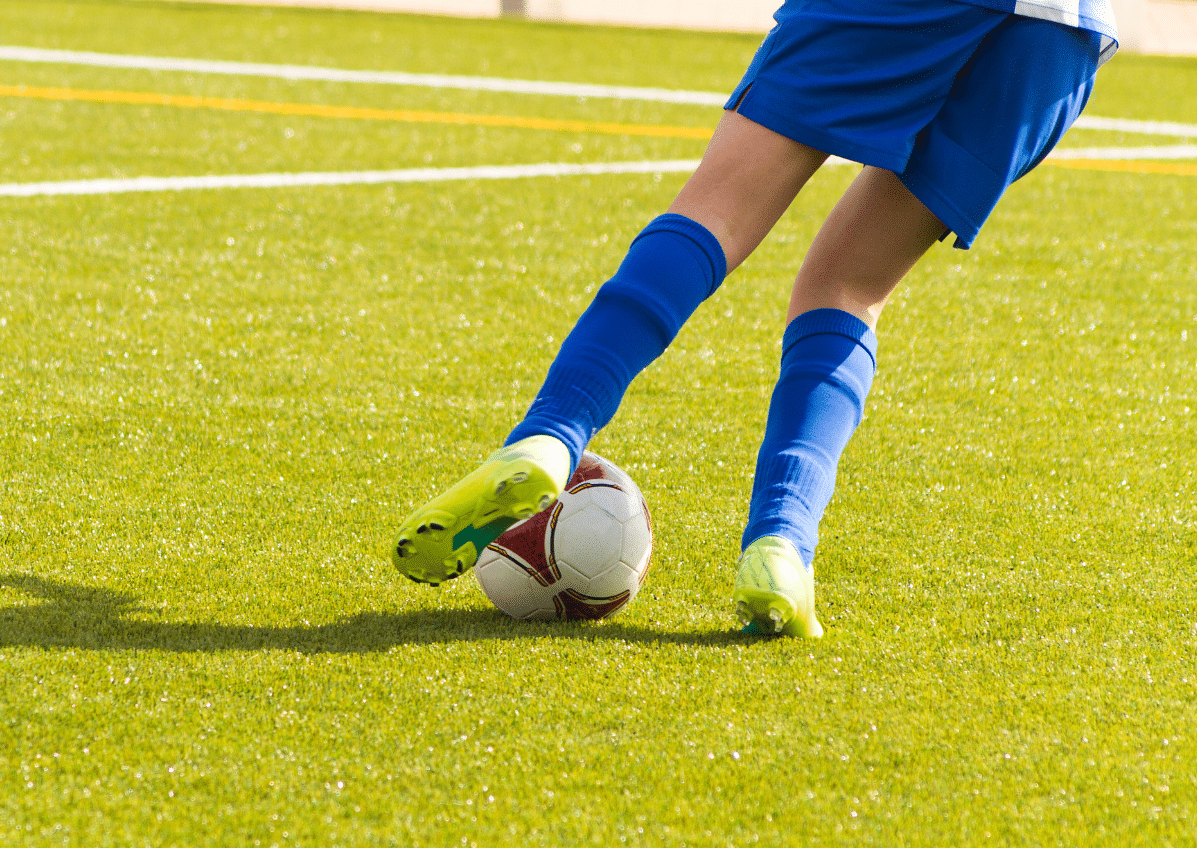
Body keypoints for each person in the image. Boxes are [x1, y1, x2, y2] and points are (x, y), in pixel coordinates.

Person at [392, 0, 1119, 637]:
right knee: (850, 284)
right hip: (1063, 32)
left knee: (718, 211)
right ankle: (782, 544)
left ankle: (550, 433)